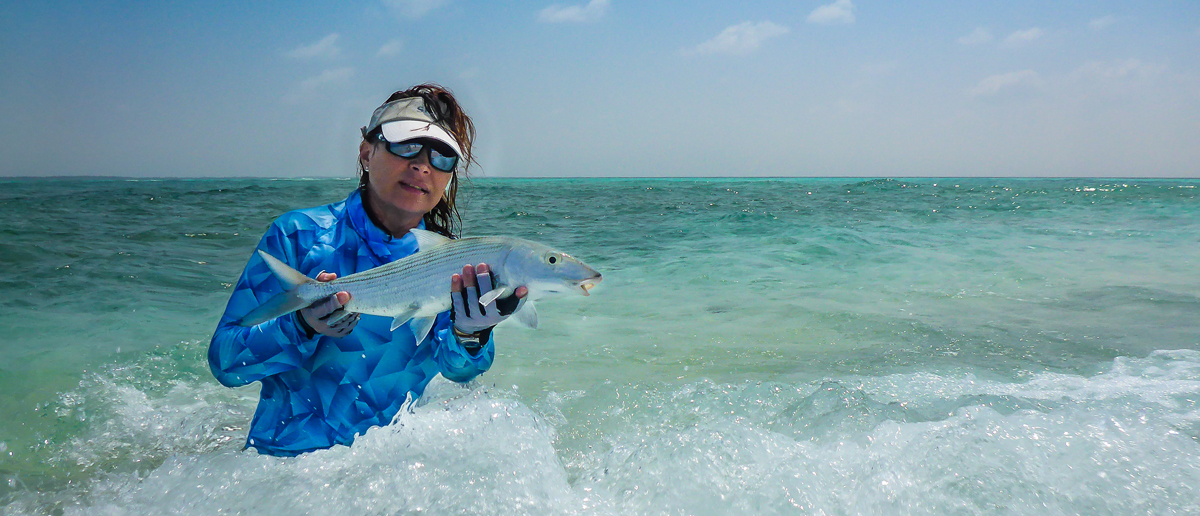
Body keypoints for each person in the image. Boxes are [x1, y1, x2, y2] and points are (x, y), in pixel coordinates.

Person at [208, 84, 525, 457]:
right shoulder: (299, 236)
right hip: (283, 470)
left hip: (390, 473)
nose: (422, 165)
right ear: (366, 151)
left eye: (442, 156)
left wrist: (472, 335)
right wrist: (300, 326)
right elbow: (227, 364)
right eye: (406, 145)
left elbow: (460, 370)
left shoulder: (450, 260)